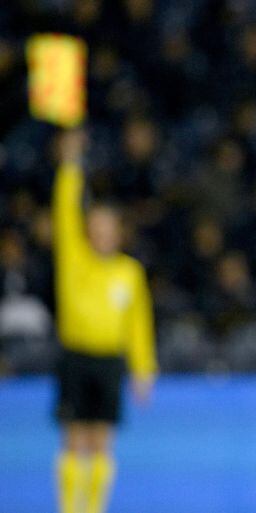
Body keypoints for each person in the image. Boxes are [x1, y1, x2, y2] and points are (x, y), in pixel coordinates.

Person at [52, 129, 157, 513]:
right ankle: (68, 509)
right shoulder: (74, 260)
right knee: (73, 439)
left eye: (108, 228)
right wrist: (70, 165)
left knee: (102, 441)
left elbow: (138, 324)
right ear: (88, 231)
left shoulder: (129, 273)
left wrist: (143, 368)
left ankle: (94, 509)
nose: (101, 234)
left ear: (118, 233)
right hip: (76, 356)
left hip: (110, 361)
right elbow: (65, 210)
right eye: (94, 227)